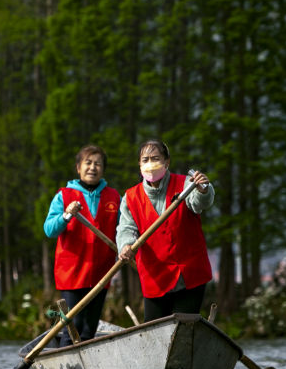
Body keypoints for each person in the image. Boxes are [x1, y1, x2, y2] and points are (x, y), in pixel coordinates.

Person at [117, 139, 214, 322]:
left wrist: (203, 190)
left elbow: (199, 203)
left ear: (167, 162)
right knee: (154, 331)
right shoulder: (130, 197)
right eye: (145, 160)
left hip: (190, 274)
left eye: (155, 158)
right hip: (155, 276)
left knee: (185, 328)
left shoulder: (186, 184)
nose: (150, 164)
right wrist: (126, 246)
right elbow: (126, 228)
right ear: (139, 164)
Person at [43, 144, 120, 345]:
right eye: (88, 163)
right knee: (71, 326)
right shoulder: (64, 196)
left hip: (101, 273)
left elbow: (123, 230)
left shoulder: (114, 197)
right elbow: (49, 229)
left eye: (98, 164)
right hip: (72, 272)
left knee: (89, 329)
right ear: (78, 167)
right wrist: (66, 215)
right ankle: (65, 367)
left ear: (103, 169)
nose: (92, 168)